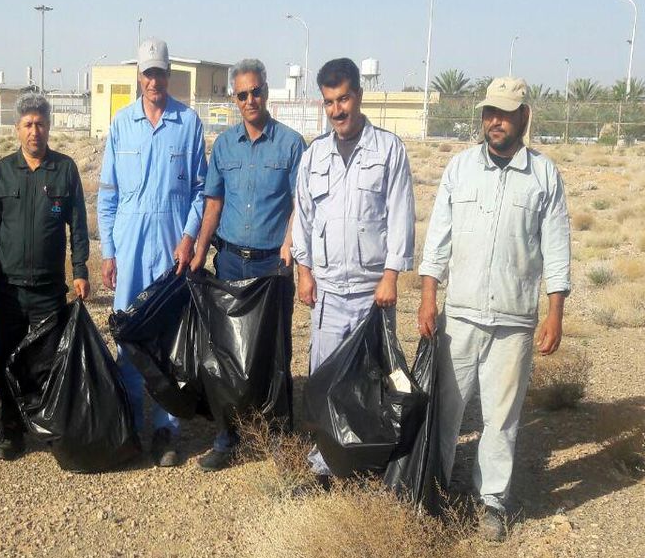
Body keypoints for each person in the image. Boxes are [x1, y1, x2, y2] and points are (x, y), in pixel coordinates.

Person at [417, 76, 571, 541]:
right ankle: (436, 492)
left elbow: (557, 248)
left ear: (525, 116)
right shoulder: (459, 169)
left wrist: (555, 312)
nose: (494, 121)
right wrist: (428, 296)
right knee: (446, 411)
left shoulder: (544, 176)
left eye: (504, 113)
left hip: (513, 321)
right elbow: (437, 239)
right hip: (459, 315)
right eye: (489, 112)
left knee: (500, 419)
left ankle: (492, 503)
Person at [291, 57, 416, 475]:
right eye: (329, 102)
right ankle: (324, 464)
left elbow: (401, 215)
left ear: (358, 96)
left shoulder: (388, 150)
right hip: (327, 292)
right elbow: (304, 217)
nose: (337, 110)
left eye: (343, 99)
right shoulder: (314, 156)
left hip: (370, 294)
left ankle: (371, 462)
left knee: (373, 383)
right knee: (325, 380)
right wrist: (304, 272)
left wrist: (391, 276)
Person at [189, 58, 305, 471]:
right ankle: (228, 436)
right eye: (242, 94)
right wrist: (201, 251)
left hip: (272, 268)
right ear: (234, 98)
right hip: (231, 265)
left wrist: (290, 248)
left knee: (273, 354)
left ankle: (277, 439)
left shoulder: (292, 144)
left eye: (256, 91)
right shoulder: (223, 146)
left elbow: (299, 204)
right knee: (227, 355)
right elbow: (213, 203)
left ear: (267, 92)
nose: (250, 99)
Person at [97, 37, 206, 467]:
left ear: (168, 75)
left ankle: (165, 429)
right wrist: (108, 251)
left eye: (159, 72)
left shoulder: (189, 122)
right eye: (147, 72)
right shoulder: (121, 124)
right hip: (129, 245)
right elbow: (108, 195)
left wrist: (190, 236)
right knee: (127, 335)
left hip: (170, 246)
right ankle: (128, 426)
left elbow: (200, 190)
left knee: (166, 339)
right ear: (138, 76)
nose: (153, 80)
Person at [0, 92, 91, 460]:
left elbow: (77, 225)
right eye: (27, 124)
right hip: (10, 289)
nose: (34, 131)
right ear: (17, 129)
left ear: (49, 126)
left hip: (48, 290)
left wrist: (79, 270)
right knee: (7, 363)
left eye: (40, 124)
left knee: (47, 362)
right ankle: (11, 430)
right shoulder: (3, 171)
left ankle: (48, 426)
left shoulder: (65, 169)